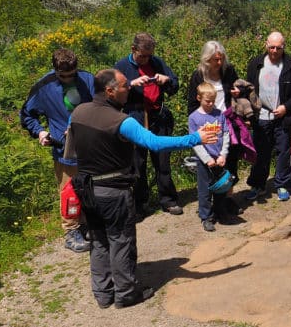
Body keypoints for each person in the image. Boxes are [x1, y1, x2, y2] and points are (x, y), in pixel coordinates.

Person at [66, 69, 219, 308]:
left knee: (98, 240)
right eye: (125, 85)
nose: (130, 88)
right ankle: (126, 293)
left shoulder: (77, 113)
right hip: (114, 191)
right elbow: (154, 143)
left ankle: (103, 294)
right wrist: (195, 138)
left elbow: (70, 147)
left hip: (86, 189)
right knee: (120, 240)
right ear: (109, 91)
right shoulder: (122, 121)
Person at [20, 48, 96, 253]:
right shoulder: (43, 86)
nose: (68, 79)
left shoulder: (88, 80)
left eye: (72, 75)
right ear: (55, 71)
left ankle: (89, 225)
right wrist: (40, 132)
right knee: (69, 191)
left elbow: (101, 105)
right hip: (64, 149)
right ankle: (71, 231)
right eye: (63, 76)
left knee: (91, 187)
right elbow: (27, 115)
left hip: (90, 145)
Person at [114, 33, 183, 216]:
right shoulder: (121, 66)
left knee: (162, 160)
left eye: (149, 55)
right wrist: (130, 84)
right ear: (133, 49)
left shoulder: (157, 62)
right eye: (142, 55)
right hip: (135, 118)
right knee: (137, 164)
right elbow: (111, 93)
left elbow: (174, 85)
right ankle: (139, 203)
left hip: (158, 117)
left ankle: (168, 200)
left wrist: (166, 81)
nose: (145, 59)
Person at [245, 31, 291, 202]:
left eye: (278, 48)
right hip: (261, 116)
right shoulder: (256, 63)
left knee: (283, 152)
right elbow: (248, 89)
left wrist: (286, 107)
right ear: (266, 44)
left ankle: (281, 184)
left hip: (283, 117)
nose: (274, 51)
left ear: (283, 47)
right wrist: (248, 114)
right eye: (271, 47)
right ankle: (258, 185)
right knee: (260, 153)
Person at [185, 40, 240, 179]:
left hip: (227, 121)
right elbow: (192, 105)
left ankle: (228, 195)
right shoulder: (198, 76)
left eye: (221, 58)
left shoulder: (229, 71)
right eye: (216, 59)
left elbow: (239, 89)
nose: (220, 62)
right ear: (207, 59)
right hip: (206, 124)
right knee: (209, 162)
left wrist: (237, 92)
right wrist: (196, 126)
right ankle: (209, 196)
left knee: (230, 159)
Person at [188, 82, 231, 232]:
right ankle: (206, 216)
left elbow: (226, 134)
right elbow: (195, 142)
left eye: (213, 100)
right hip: (204, 160)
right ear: (199, 98)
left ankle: (220, 211)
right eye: (207, 101)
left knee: (221, 188)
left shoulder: (219, 114)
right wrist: (207, 159)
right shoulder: (194, 118)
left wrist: (223, 154)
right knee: (204, 190)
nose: (211, 104)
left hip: (219, 158)